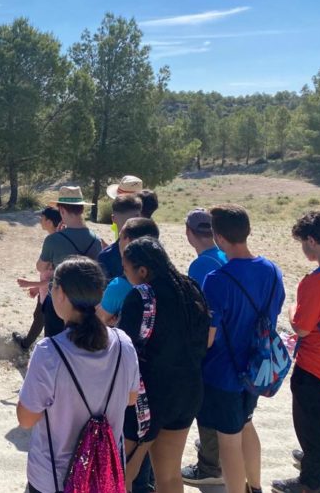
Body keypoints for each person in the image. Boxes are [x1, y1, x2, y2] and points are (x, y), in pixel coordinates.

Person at [16, 256, 140, 493]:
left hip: (53, 479)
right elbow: (131, 399)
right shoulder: (123, 343)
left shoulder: (49, 352)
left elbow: (26, 419)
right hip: (103, 477)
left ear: (60, 293)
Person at [196, 204, 285, 493]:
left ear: (219, 238)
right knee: (247, 425)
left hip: (224, 373)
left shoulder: (217, 280)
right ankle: (255, 487)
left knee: (228, 442)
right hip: (257, 367)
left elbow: (209, 337)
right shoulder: (273, 270)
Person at [118, 237, 210, 493]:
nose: (125, 275)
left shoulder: (142, 296)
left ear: (143, 270)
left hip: (149, 398)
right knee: (169, 476)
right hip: (188, 391)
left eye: (126, 269)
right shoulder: (190, 288)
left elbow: (125, 350)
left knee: (122, 474)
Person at [271, 212, 320, 493]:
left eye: (303, 243)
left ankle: (310, 481)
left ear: (312, 240)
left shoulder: (317, 281)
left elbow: (303, 328)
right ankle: (317, 459)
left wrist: (294, 309)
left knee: (312, 425)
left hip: (317, 367)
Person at [180, 208, 228, 487]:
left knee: (207, 405)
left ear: (189, 233)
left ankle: (209, 465)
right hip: (230, 343)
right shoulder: (222, 255)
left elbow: (199, 314)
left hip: (211, 347)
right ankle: (217, 449)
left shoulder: (199, 266)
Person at [37, 186, 102, 338]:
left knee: (55, 345)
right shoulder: (96, 240)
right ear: (81, 210)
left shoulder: (53, 240)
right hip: (87, 301)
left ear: (62, 211)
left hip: (59, 300)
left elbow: (41, 267)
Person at [13, 207, 62, 350]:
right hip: (46, 289)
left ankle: (27, 344)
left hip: (52, 291)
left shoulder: (55, 241)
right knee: (39, 316)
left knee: (44, 318)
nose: (40, 220)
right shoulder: (56, 239)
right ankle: (26, 343)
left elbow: (55, 278)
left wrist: (30, 284)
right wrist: (37, 287)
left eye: (42, 218)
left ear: (49, 221)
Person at [97, 218, 160, 327]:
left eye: (120, 237)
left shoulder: (119, 286)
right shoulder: (167, 278)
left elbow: (99, 321)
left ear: (128, 241)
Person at [98, 194, 143, 280]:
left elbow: (104, 291)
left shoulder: (105, 256)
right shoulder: (151, 251)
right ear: (139, 217)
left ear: (113, 218)